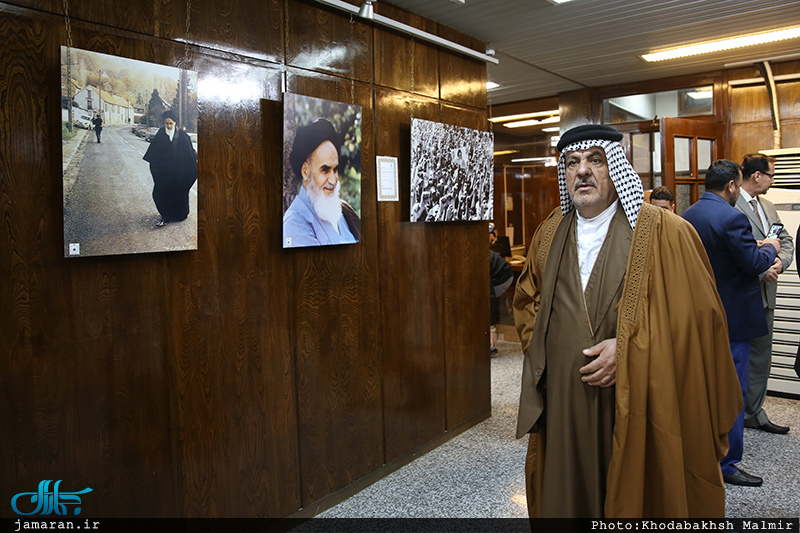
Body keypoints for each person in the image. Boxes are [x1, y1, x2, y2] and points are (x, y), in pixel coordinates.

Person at [514, 124, 741, 518]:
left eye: (595, 160)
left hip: (642, 400)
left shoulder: (667, 232)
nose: (582, 171)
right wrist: (554, 353)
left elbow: (697, 323)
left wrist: (629, 350)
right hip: (565, 399)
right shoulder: (549, 232)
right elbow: (527, 302)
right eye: (572, 163)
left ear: (617, 168)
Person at [683, 159, 780, 488]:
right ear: (732, 186)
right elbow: (752, 263)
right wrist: (770, 249)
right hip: (733, 320)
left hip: (699, 317)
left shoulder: (688, 216)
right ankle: (727, 463)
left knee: (704, 389)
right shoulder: (733, 217)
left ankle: (701, 453)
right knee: (733, 391)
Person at [735, 153, 793, 434]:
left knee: (761, 356)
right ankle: (734, 415)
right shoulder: (731, 204)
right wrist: (761, 270)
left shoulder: (768, 206)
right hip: (740, 296)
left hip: (766, 297)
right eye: (771, 175)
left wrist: (781, 262)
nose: (773, 181)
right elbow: (731, 251)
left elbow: (785, 240)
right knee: (736, 357)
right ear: (757, 176)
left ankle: (754, 412)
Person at [284, 118, 360, 247]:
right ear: (305, 172)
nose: (333, 180)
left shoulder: (342, 210)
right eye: (325, 170)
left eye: (335, 169)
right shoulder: (295, 223)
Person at [142, 110, 198, 227]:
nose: (168, 126)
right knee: (160, 194)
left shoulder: (183, 136)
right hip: (164, 174)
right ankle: (165, 216)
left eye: (170, 123)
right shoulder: (160, 134)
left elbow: (189, 155)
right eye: (166, 123)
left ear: (175, 123)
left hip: (178, 174)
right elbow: (154, 154)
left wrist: (187, 172)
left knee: (178, 194)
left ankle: (179, 215)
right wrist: (157, 170)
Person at [490, 247, 513, 357]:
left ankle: (490, 343)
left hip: (503, 277)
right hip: (493, 274)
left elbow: (489, 297)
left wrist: (492, 328)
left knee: (481, 303)